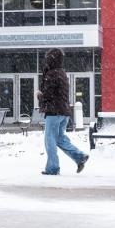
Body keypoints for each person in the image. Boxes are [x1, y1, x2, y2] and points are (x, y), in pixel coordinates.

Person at [38, 48, 89, 176]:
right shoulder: (62, 73)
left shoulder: (51, 74)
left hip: (54, 112)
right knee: (60, 138)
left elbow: (48, 95)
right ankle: (79, 157)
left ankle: (52, 168)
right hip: (64, 111)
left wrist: (39, 95)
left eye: (48, 58)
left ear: (51, 59)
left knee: (50, 140)